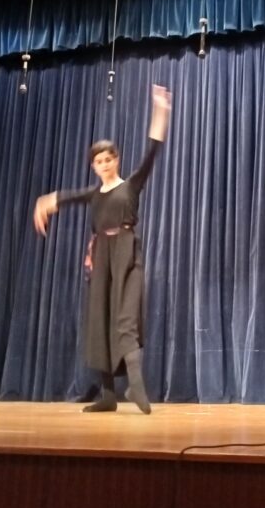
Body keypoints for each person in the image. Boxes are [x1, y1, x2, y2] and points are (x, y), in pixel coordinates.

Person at [34, 84, 171, 415]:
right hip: (101, 255)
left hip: (126, 252)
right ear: (94, 166)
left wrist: (160, 113)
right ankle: (108, 395)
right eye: (99, 161)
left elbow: (152, 152)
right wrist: (45, 202)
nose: (105, 164)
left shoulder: (131, 185)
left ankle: (135, 386)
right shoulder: (94, 194)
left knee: (126, 319)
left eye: (109, 159)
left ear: (116, 160)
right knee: (101, 320)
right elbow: (65, 197)